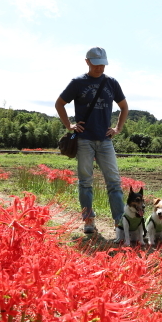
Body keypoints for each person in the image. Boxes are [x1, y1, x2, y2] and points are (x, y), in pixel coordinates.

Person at [55, 47, 129, 234]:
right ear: (87, 62)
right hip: (84, 140)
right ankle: (88, 220)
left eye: (103, 64)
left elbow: (124, 106)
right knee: (85, 182)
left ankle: (119, 223)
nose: (100, 68)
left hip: (105, 141)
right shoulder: (78, 82)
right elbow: (60, 103)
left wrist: (118, 128)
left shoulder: (111, 83)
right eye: (96, 64)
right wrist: (69, 125)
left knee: (114, 182)